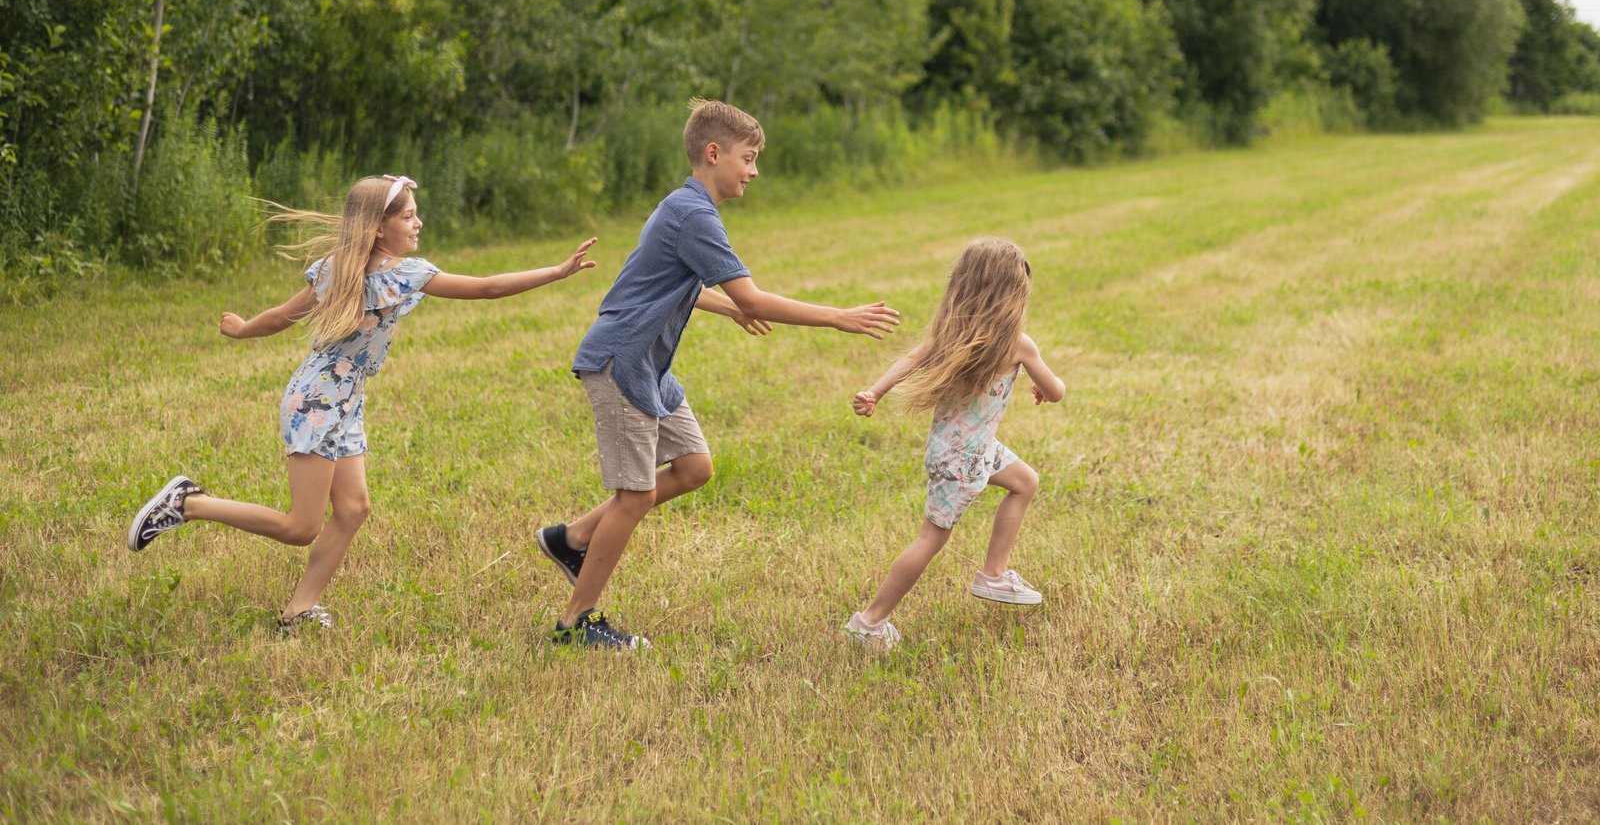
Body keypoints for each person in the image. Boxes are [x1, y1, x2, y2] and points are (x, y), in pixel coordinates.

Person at [125, 173, 599, 632]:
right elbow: (488, 286)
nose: (418, 224)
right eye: (409, 216)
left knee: (352, 509)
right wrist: (556, 272)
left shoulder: (357, 269)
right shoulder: (378, 272)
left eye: (416, 215)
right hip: (317, 400)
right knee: (300, 526)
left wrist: (248, 326)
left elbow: (281, 317)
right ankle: (189, 503)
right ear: (378, 228)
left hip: (344, 398)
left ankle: (299, 610)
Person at [533, 99, 901, 650]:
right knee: (632, 498)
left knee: (695, 466)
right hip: (622, 361)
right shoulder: (694, 214)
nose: (754, 171)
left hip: (650, 367)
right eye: (748, 158)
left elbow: (666, 283)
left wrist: (730, 309)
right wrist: (836, 317)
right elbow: (750, 293)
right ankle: (576, 623)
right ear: (714, 153)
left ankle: (573, 538)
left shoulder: (685, 207)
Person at [843, 237, 1065, 651]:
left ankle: (993, 573)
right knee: (930, 539)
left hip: (968, 451)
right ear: (1012, 293)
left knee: (1024, 481)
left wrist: (875, 391)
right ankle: (869, 620)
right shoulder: (1019, 343)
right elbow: (1056, 391)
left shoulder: (952, 334)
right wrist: (1043, 385)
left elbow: (908, 361)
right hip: (964, 460)